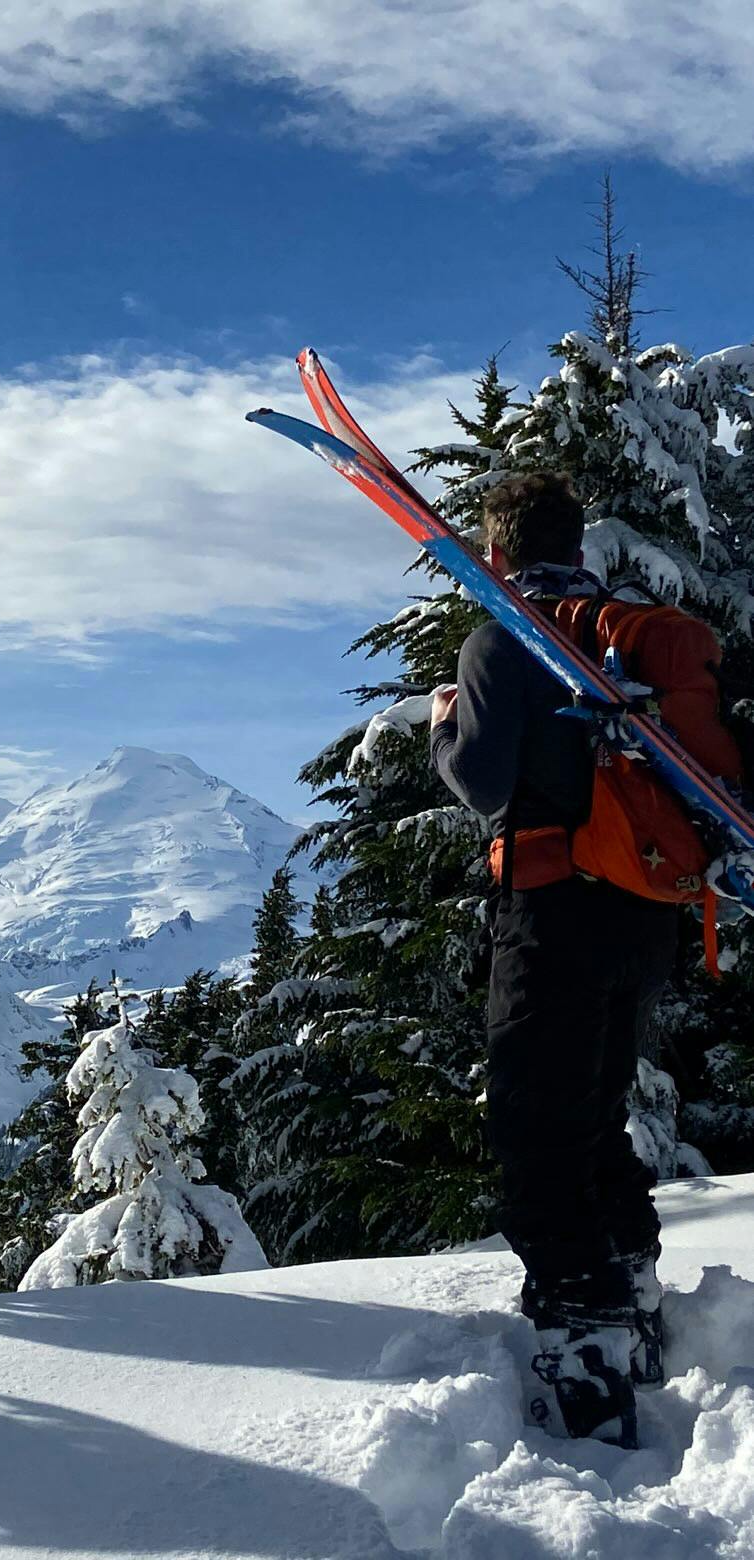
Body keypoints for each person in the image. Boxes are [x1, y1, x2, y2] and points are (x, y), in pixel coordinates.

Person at [429, 471, 677, 1449]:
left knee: (536, 1132)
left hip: (551, 913)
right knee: (595, 1112)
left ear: (494, 554)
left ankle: (588, 1359)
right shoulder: (620, 634)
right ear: (579, 543)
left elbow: (485, 785)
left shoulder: (506, 637)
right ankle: (638, 1298)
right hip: (644, 915)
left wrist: (446, 722)